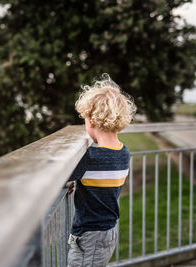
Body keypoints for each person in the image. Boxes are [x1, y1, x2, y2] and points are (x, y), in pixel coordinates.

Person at [66, 74, 136, 267]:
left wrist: (70, 181)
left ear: (91, 122)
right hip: (108, 231)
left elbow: (61, 177)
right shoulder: (124, 153)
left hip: (89, 235)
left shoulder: (90, 158)